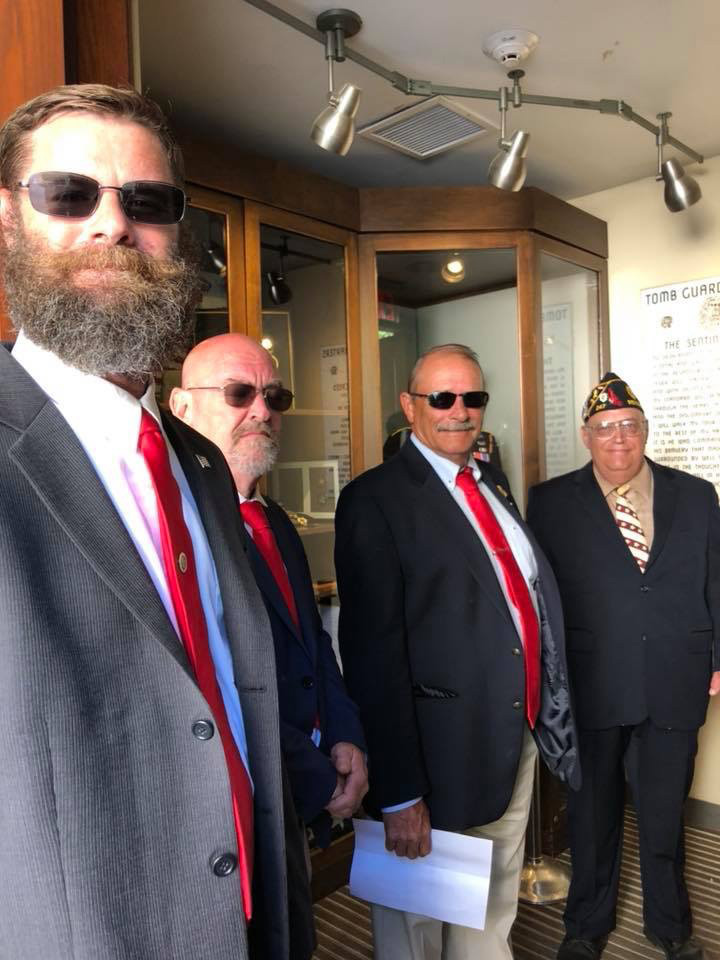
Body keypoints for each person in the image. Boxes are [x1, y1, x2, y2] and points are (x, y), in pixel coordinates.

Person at [0, 84, 308, 959]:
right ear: (7, 223)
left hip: (256, 918)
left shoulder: (199, 465)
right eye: (68, 194)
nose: (112, 225)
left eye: (147, 202)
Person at [334, 342, 580, 960]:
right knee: (417, 920)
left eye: (473, 398)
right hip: (433, 755)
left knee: (492, 901)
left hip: (510, 734)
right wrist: (398, 790)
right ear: (408, 406)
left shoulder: (489, 480)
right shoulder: (375, 500)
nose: (459, 411)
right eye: (442, 398)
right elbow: (372, 655)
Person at [527, 372, 720, 960]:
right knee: (591, 817)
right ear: (586, 436)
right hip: (591, 686)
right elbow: (541, 597)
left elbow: (717, 580)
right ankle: (585, 926)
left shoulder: (696, 494)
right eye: (606, 428)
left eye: (629, 426)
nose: (619, 438)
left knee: (664, 821)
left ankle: (671, 927)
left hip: (674, 679)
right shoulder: (551, 501)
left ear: (644, 431)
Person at [170, 333, 368, 846]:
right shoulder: (173, 527)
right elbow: (209, 680)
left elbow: (313, 643)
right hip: (234, 809)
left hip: (303, 794)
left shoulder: (275, 520)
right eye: (239, 393)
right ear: (182, 405)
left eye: (275, 397)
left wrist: (346, 736)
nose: (262, 410)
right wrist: (314, 774)